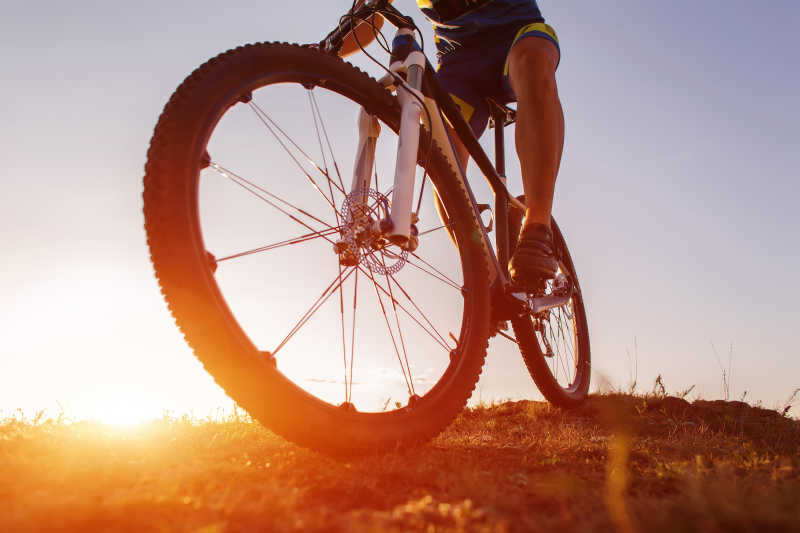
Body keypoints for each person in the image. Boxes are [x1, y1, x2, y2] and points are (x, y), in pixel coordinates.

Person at [344, 0, 565, 289]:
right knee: (441, 151)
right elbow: (367, 18)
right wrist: (320, 52)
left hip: (518, 35)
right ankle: (482, 274)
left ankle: (538, 225)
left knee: (533, 60)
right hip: (460, 65)